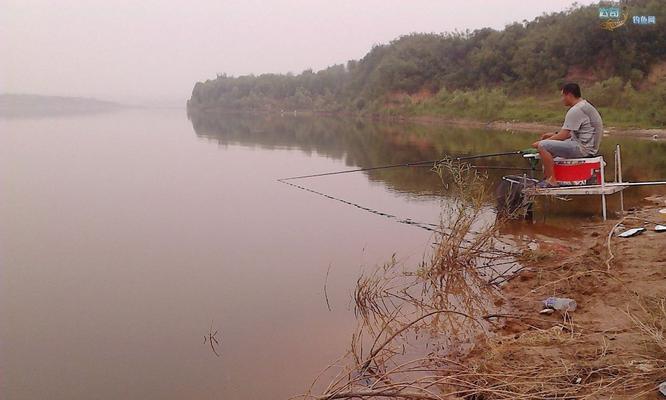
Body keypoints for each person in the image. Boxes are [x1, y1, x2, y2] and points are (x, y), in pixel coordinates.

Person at [532, 83, 603, 187]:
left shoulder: (576, 110)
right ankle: (554, 175)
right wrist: (552, 135)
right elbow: (572, 133)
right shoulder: (585, 106)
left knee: (543, 146)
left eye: (563, 96)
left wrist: (542, 142)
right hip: (588, 146)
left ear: (569, 95)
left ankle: (551, 180)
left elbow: (564, 135)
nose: (562, 99)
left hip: (582, 148)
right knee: (548, 146)